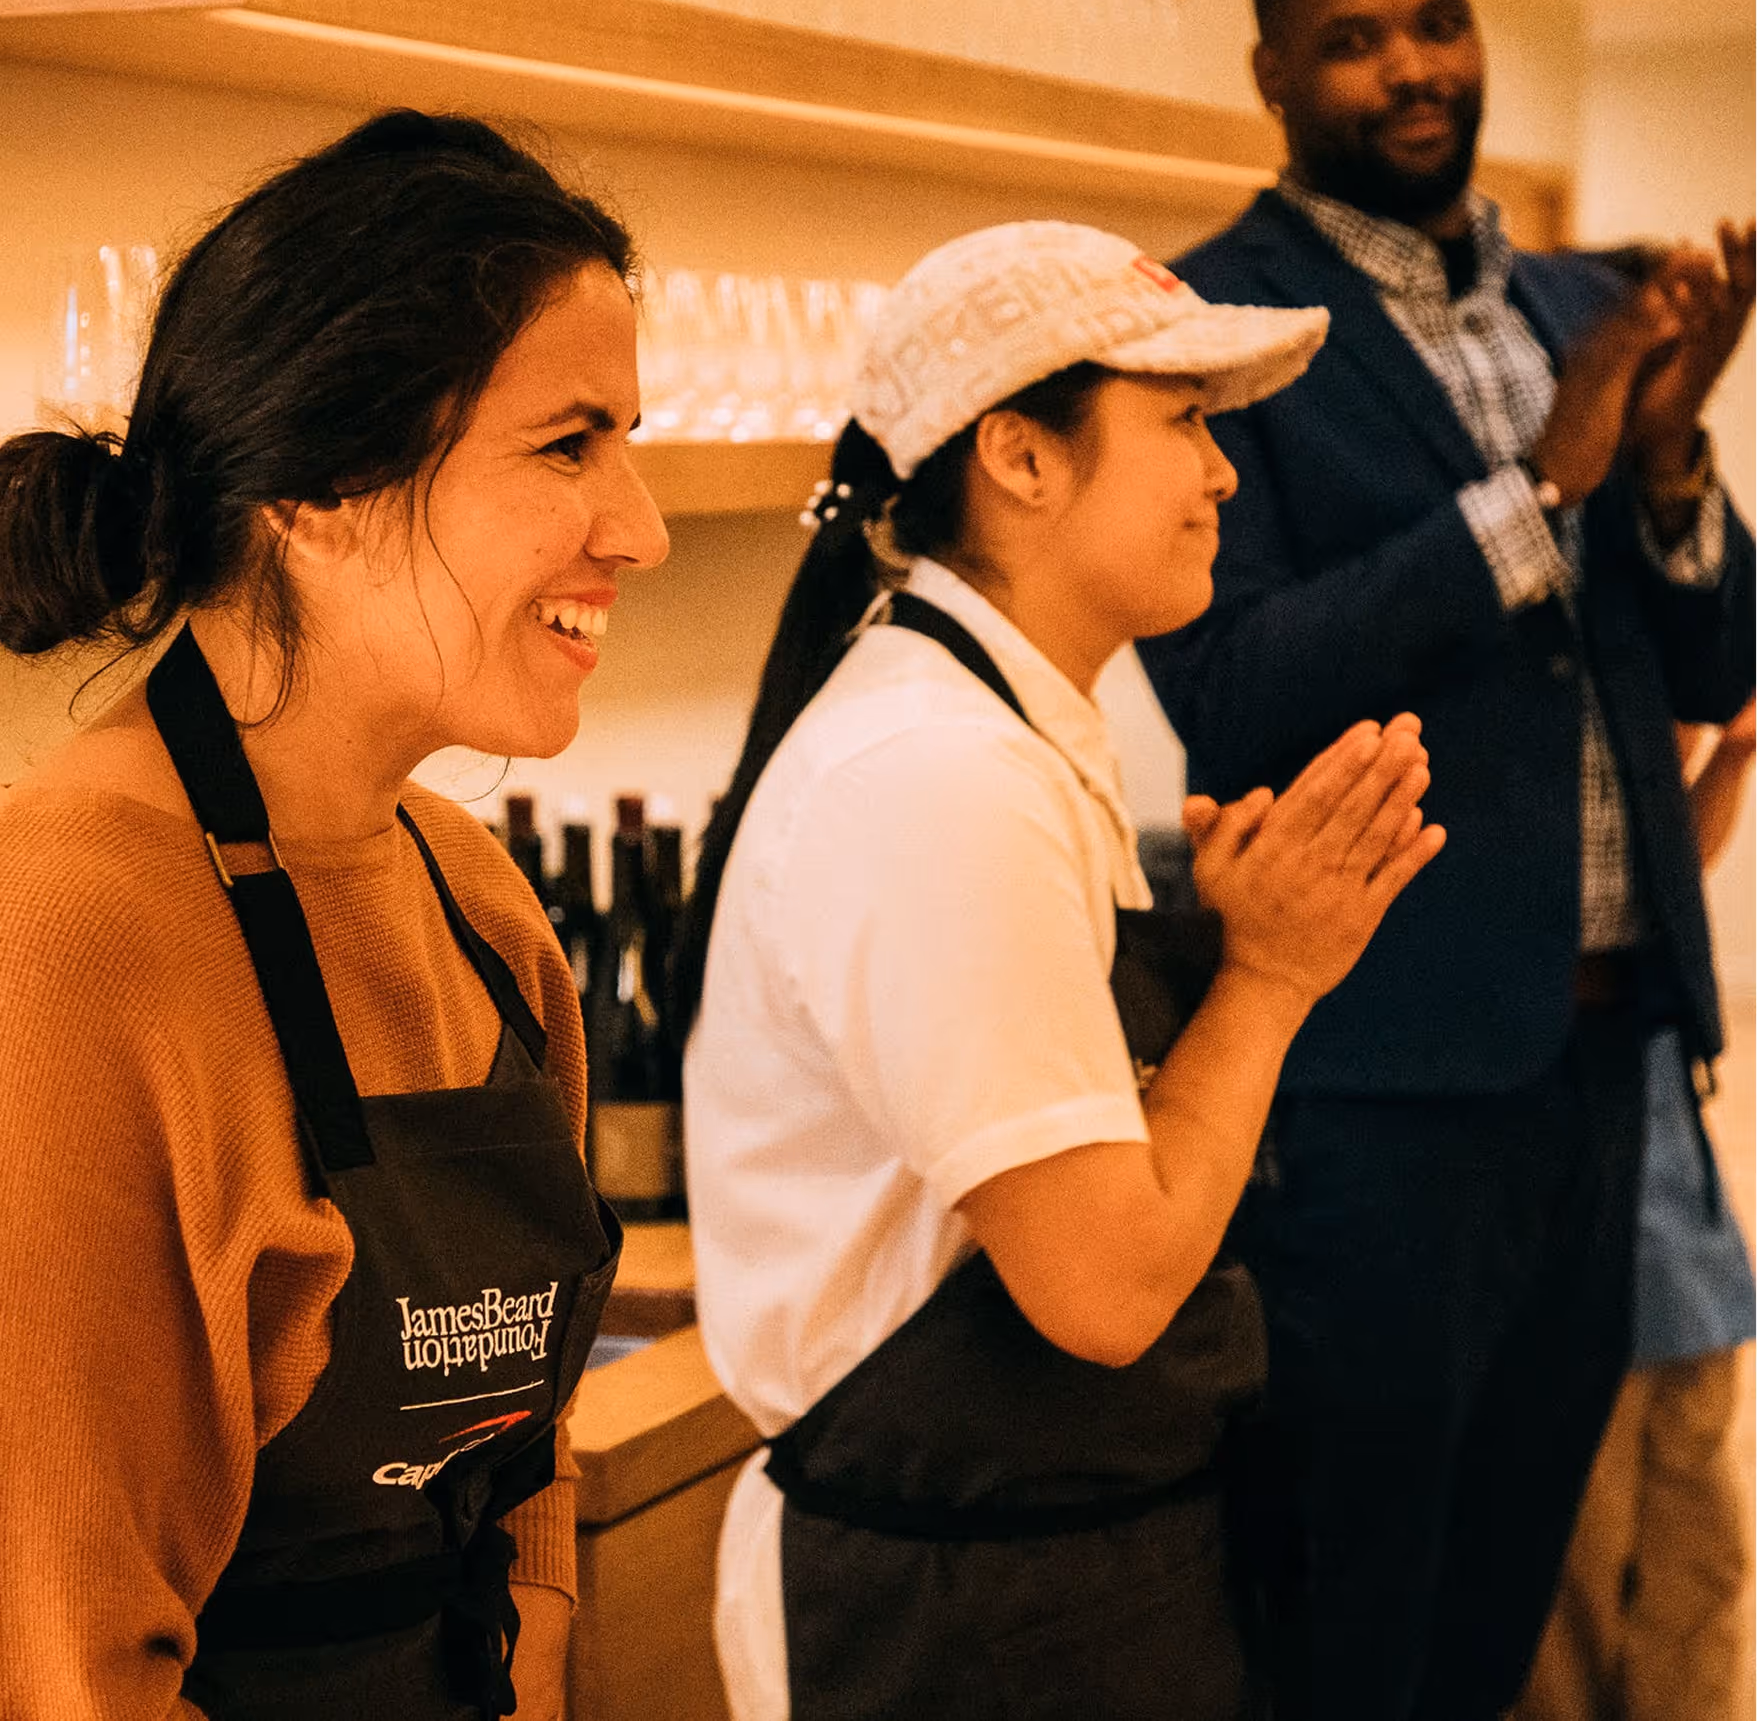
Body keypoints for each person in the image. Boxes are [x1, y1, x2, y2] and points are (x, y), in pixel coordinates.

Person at [675, 218, 1446, 1721]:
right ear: (1021, 458)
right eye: (1183, 420)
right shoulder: (937, 778)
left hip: (1048, 1564)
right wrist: (1272, 976)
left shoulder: (1004, 730)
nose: (1224, 473)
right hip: (940, 1609)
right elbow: (1103, 1284)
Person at [1134, 0, 1756, 1720]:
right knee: (1353, 1608)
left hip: (1606, 1066)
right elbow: (1235, 685)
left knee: (1505, 1601)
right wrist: (1535, 488)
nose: (1410, 67)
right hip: (1377, 1089)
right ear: (1268, 73)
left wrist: (1661, 466)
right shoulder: (1215, 331)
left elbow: (1713, 653)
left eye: (1436, 21)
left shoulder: (1587, 303)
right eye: (1351, 41)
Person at [0, 110, 668, 1718]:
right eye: (569, 443)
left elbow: (522, 1491)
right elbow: (71, 1655)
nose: (637, 523)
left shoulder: (477, 900)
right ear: (322, 484)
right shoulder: (64, 938)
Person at [1515, 699, 1756, 1721]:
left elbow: (1667, 876)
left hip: (1679, 1242)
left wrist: (1725, 752)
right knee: (1570, 1574)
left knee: (1698, 1558)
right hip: (1580, 1234)